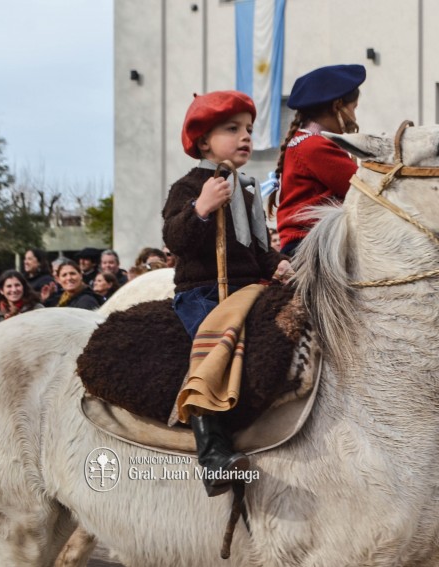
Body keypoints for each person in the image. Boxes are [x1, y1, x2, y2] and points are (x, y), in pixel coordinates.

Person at [162, 90, 292, 498]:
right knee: (213, 352)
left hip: (246, 290)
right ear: (204, 142)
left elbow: (257, 248)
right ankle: (213, 455)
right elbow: (174, 238)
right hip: (203, 292)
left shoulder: (247, 189)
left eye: (248, 129)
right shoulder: (188, 186)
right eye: (232, 129)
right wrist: (200, 208)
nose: (246, 137)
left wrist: (277, 265)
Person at [271, 64, 366, 256]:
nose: (355, 116)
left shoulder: (305, 141)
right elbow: (362, 189)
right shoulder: (315, 146)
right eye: (353, 108)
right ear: (337, 106)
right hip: (311, 244)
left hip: (311, 241)